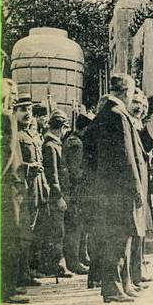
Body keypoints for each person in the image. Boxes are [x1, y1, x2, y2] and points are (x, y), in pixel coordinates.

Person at [83, 73, 146, 303]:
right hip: (118, 190)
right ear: (126, 92)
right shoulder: (116, 115)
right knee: (117, 237)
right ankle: (112, 287)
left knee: (124, 236)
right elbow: (127, 157)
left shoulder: (107, 114)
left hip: (110, 188)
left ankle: (124, 282)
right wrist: (136, 188)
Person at [16, 94, 48, 284]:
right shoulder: (16, 135)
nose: (27, 113)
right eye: (23, 110)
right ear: (15, 112)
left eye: (29, 110)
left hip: (36, 188)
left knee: (32, 231)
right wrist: (29, 167)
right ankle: (20, 275)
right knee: (22, 233)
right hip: (22, 189)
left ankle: (27, 271)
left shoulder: (34, 135)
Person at [1, 83, 28, 303]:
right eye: (12, 96)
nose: (14, 100)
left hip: (12, 186)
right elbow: (8, 153)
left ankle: (9, 285)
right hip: (5, 187)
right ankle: (6, 289)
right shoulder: (5, 119)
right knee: (10, 238)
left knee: (12, 237)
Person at [125, 87, 153, 293]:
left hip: (143, 183)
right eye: (136, 103)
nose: (140, 108)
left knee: (140, 229)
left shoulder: (139, 125)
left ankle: (138, 269)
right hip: (132, 185)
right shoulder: (127, 124)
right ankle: (133, 274)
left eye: (143, 106)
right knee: (133, 230)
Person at [40, 109, 72, 277]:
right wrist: (58, 196)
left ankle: (57, 264)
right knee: (56, 231)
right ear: (61, 128)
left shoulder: (54, 144)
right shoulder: (51, 146)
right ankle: (56, 265)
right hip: (55, 197)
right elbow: (52, 175)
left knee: (58, 230)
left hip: (60, 195)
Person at [62, 111, 92, 276]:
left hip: (75, 191)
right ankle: (74, 262)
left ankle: (82, 256)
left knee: (80, 225)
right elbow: (75, 171)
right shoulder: (77, 144)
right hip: (76, 191)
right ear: (85, 128)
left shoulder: (72, 139)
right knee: (75, 226)